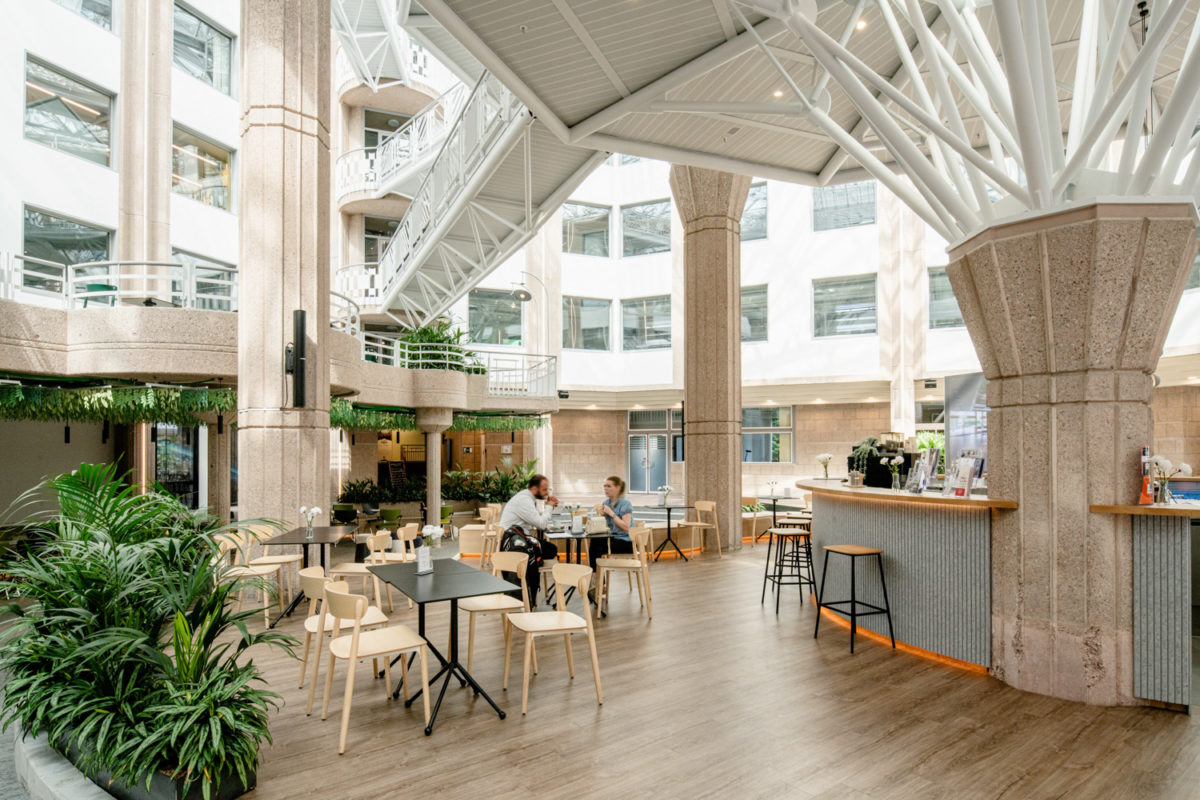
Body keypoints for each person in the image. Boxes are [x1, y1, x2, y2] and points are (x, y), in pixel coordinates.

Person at [499, 474, 559, 603]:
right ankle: (531, 581)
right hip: (514, 542)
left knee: (551, 549)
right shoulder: (524, 500)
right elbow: (541, 524)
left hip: (518, 538)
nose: (547, 493)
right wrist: (549, 506)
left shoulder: (528, 498)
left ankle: (534, 579)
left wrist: (548, 506)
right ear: (534, 488)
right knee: (551, 550)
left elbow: (536, 519)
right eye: (544, 490)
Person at [589, 475, 634, 572]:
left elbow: (626, 527)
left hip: (626, 541)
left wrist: (611, 513)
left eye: (609, 486)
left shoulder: (625, 503)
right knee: (595, 541)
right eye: (605, 486)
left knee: (596, 544)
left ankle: (596, 576)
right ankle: (597, 576)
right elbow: (607, 526)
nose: (606, 488)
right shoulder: (606, 502)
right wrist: (601, 516)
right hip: (613, 538)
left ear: (617, 488)